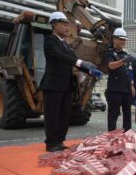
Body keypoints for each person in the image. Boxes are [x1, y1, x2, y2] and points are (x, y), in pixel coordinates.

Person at [40, 12, 103, 152]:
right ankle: (51, 143)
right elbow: (59, 56)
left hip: (66, 86)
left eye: (67, 24)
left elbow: (76, 62)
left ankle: (59, 141)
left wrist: (90, 71)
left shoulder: (66, 45)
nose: (67, 27)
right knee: (52, 115)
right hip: (53, 85)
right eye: (63, 23)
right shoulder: (50, 40)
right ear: (54, 24)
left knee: (64, 115)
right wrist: (80, 62)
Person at [102, 28, 136, 132]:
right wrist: (123, 61)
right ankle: (112, 136)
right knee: (113, 114)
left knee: (127, 114)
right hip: (115, 89)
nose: (123, 41)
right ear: (114, 39)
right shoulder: (110, 53)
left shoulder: (125, 54)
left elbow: (128, 72)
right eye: (121, 39)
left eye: (124, 39)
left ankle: (127, 134)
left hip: (126, 89)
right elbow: (111, 66)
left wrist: (131, 85)